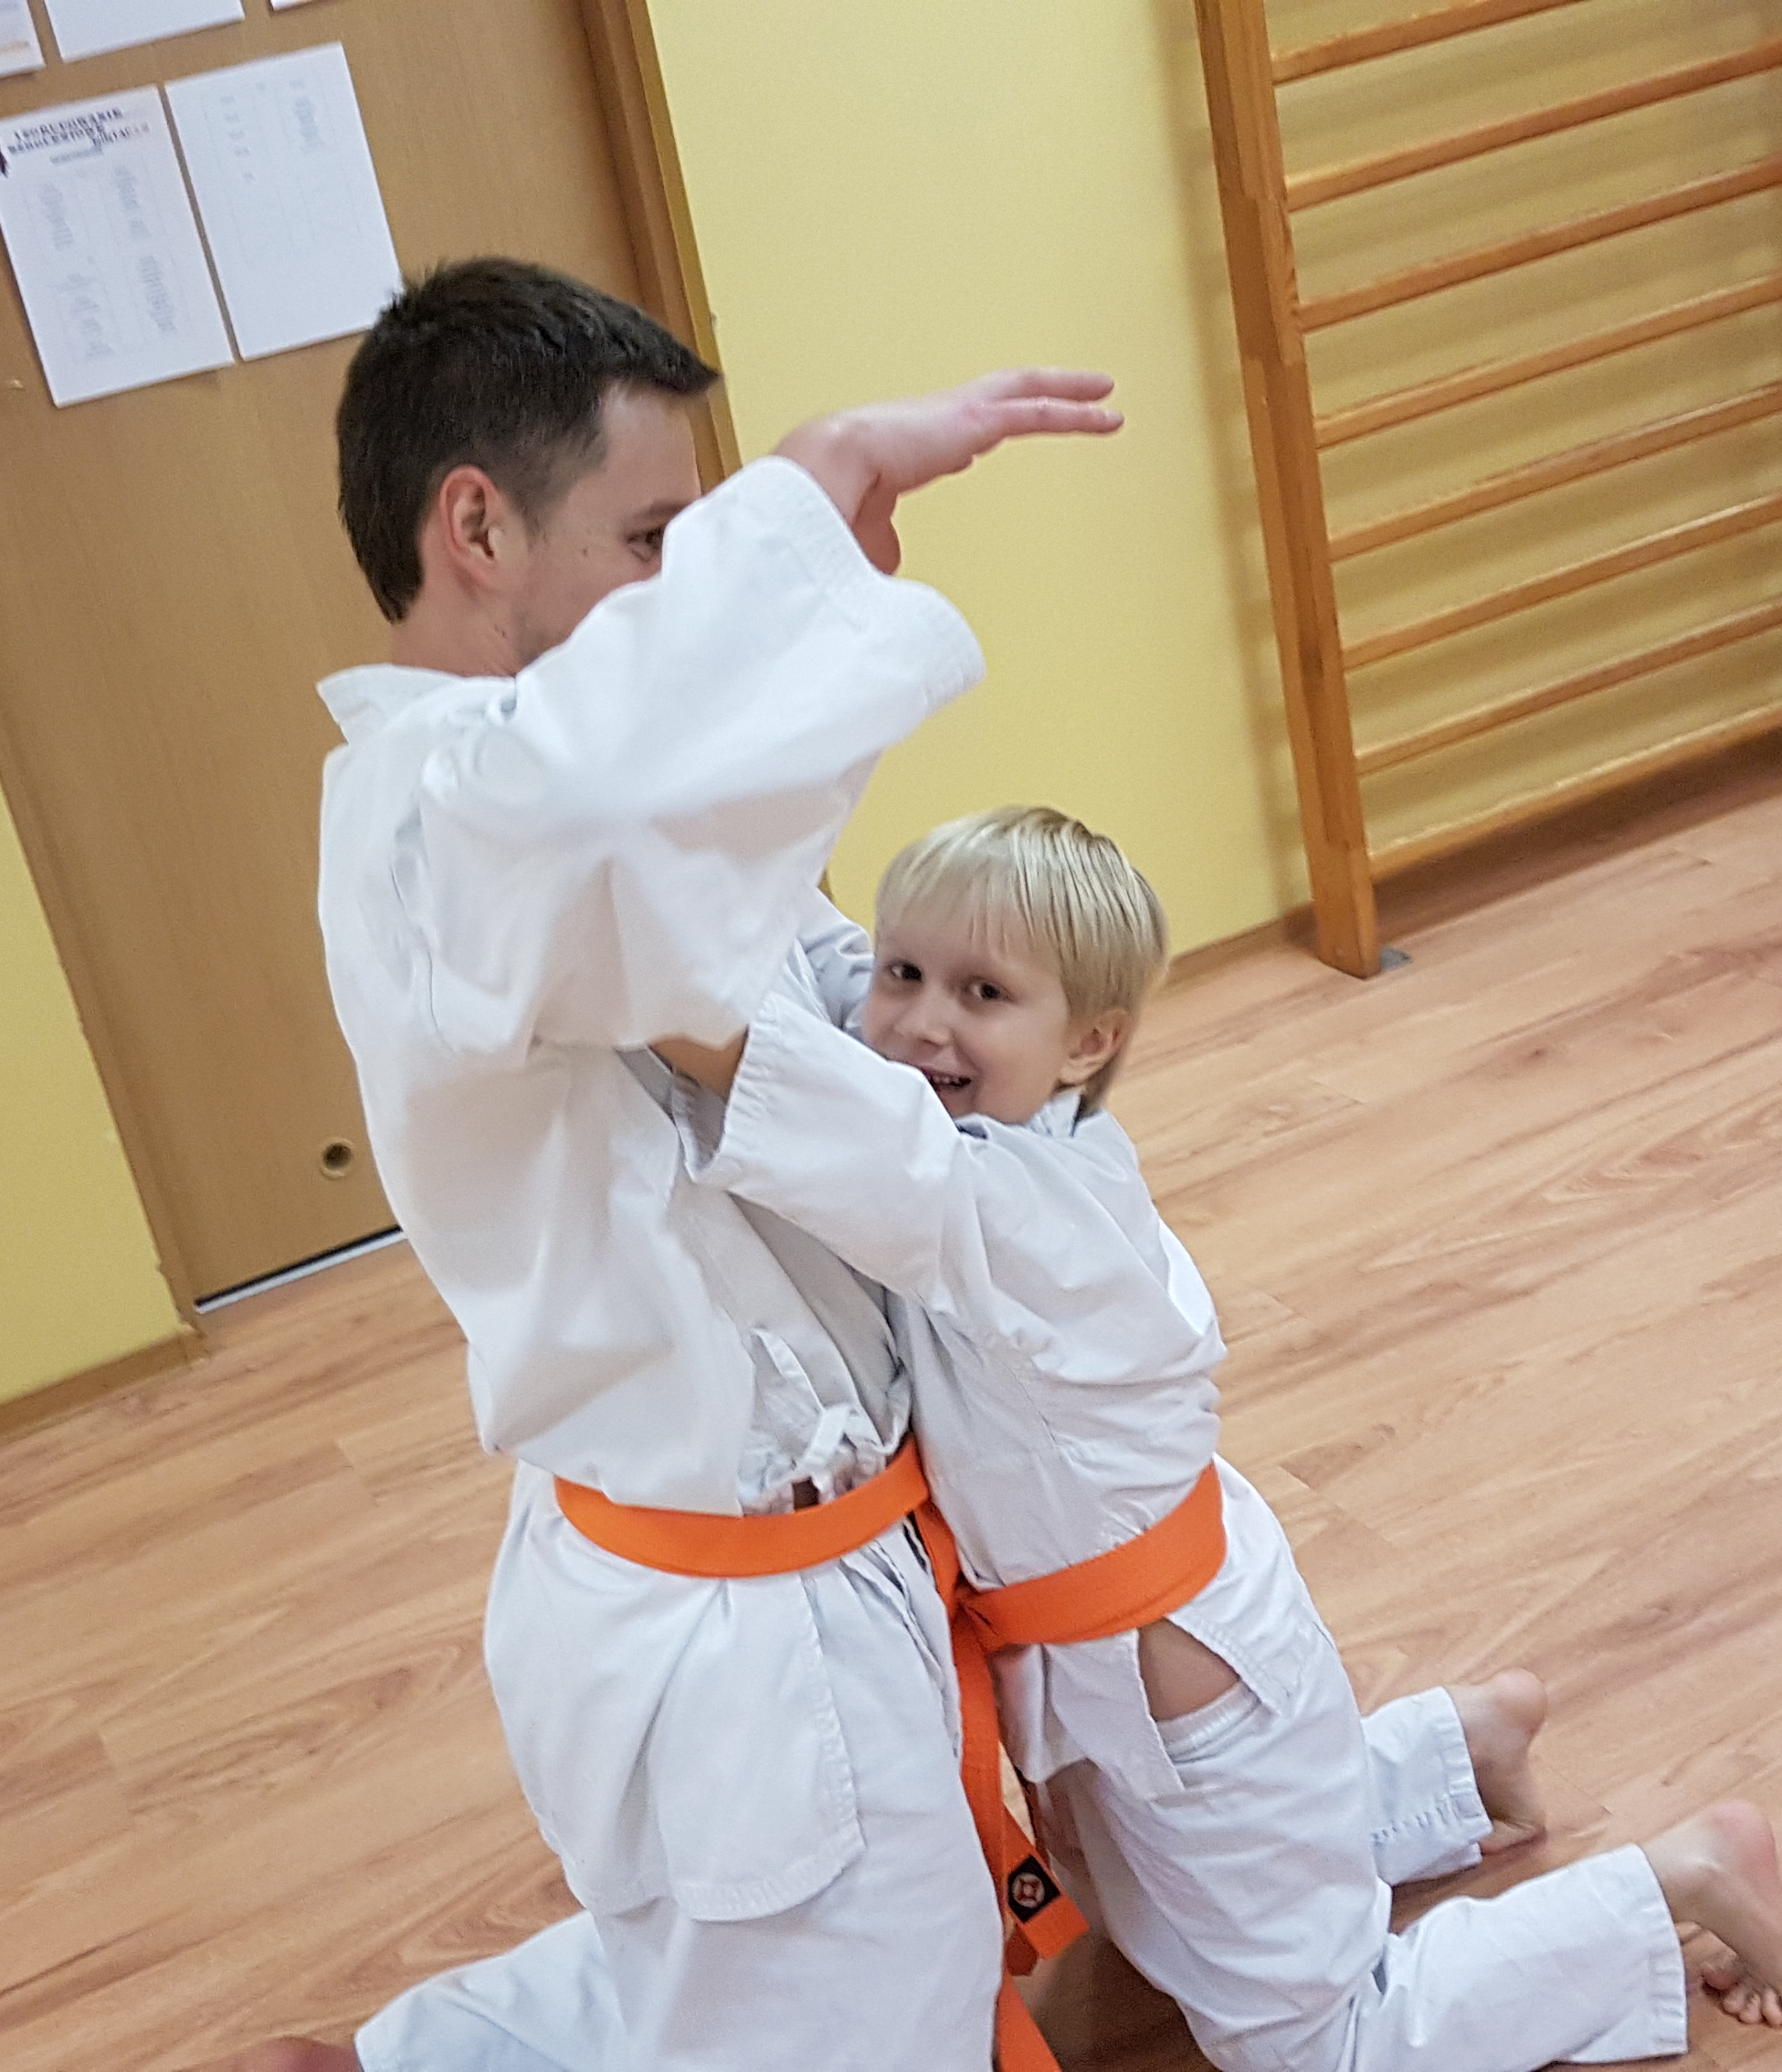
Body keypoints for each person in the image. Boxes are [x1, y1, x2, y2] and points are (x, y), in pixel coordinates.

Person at [277, 256, 1122, 2072]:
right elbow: (592, 810)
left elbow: (738, 923)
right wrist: (810, 489)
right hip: (735, 1627)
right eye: (656, 539)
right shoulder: (449, 821)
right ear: (478, 528)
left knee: (803, 1961)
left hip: (777, 1568)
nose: (691, 586)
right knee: (849, 1995)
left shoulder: (563, 815)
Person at [654, 804, 1782, 2068]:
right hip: (1129, 1657)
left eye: (982, 992)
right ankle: (1454, 1752)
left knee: (1313, 2041)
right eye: (906, 972)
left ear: (1089, 1041)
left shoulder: (1014, 1204)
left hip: (1188, 1689)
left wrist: (588, 938)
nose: (922, 1021)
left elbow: (778, 1079)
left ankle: (1678, 1877)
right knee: (1154, 1911)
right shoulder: (977, 1109)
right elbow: (830, 978)